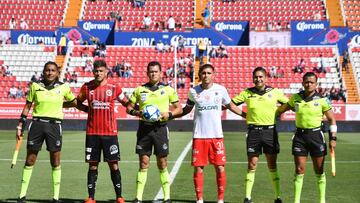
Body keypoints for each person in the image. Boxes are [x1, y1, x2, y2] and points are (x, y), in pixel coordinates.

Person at [173, 64, 245, 203]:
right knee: (199, 169)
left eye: (209, 73)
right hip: (199, 136)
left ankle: (220, 199)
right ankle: (199, 199)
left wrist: (246, 115)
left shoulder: (221, 90)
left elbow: (231, 106)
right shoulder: (193, 91)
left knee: (220, 167)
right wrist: (171, 115)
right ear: (199, 75)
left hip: (216, 136)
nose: (206, 75)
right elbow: (187, 109)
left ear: (214, 74)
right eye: (203, 73)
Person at [16, 62, 77, 203]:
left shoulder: (64, 87)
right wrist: (20, 124)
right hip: (37, 124)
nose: (50, 73)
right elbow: (27, 106)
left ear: (57, 72)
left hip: (54, 126)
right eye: (47, 70)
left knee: (55, 161)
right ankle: (21, 195)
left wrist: (60, 104)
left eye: (53, 70)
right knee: (30, 160)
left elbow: (73, 102)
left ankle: (56, 197)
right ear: (44, 72)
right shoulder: (35, 86)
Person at [68, 60, 128, 203]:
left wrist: (137, 107)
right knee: (93, 164)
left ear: (106, 71)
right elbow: (78, 102)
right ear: (93, 71)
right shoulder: (87, 87)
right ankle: (91, 197)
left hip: (110, 134)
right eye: (96, 71)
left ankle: (119, 197)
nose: (98, 73)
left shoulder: (114, 87)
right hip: (92, 133)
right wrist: (86, 109)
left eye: (101, 71)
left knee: (114, 164)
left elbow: (126, 102)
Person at [126, 61, 183, 203]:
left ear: (160, 73)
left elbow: (179, 108)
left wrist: (169, 115)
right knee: (143, 162)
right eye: (151, 71)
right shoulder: (140, 89)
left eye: (155, 71)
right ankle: (138, 197)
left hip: (160, 129)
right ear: (147, 73)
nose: (153, 74)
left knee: (162, 162)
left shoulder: (168, 89)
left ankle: (167, 197)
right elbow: (128, 107)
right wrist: (137, 112)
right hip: (144, 129)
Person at [276, 72, 337, 203]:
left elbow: (332, 119)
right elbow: (282, 109)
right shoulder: (296, 97)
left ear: (316, 84)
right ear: (302, 83)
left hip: (316, 136)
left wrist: (333, 138)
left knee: (319, 170)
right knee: (299, 169)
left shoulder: (322, 99)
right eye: (306, 82)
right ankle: (296, 201)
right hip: (300, 137)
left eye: (311, 82)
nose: (309, 84)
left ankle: (322, 200)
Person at [231, 67, 288, 203]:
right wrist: (245, 115)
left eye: (261, 77)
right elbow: (231, 104)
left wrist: (278, 112)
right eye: (256, 77)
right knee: (252, 164)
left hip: (270, 132)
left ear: (266, 78)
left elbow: (288, 104)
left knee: (272, 164)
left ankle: (278, 197)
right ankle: (247, 197)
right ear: (253, 78)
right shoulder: (247, 93)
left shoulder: (275, 92)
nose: (258, 79)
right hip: (253, 132)